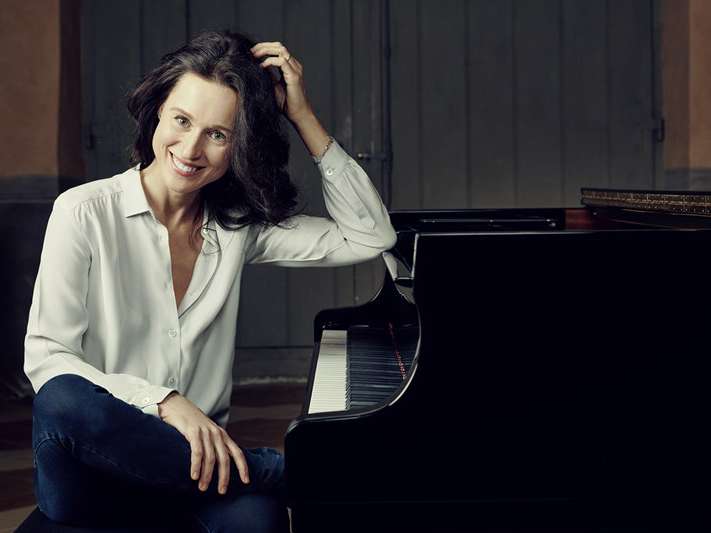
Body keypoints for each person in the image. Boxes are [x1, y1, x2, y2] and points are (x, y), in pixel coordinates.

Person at [23, 30, 397, 532]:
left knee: (260, 522)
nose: (191, 148)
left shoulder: (237, 229)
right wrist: (163, 402)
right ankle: (273, 471)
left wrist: (303, 116)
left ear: (239, 145)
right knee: (62, 398)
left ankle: (256, 478)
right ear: (159, 111)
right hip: (92, 475)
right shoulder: (83, 212)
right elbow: (48, 359)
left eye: (218, 134)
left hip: (195, 474)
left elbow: (370, 236)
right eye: (182, 120)